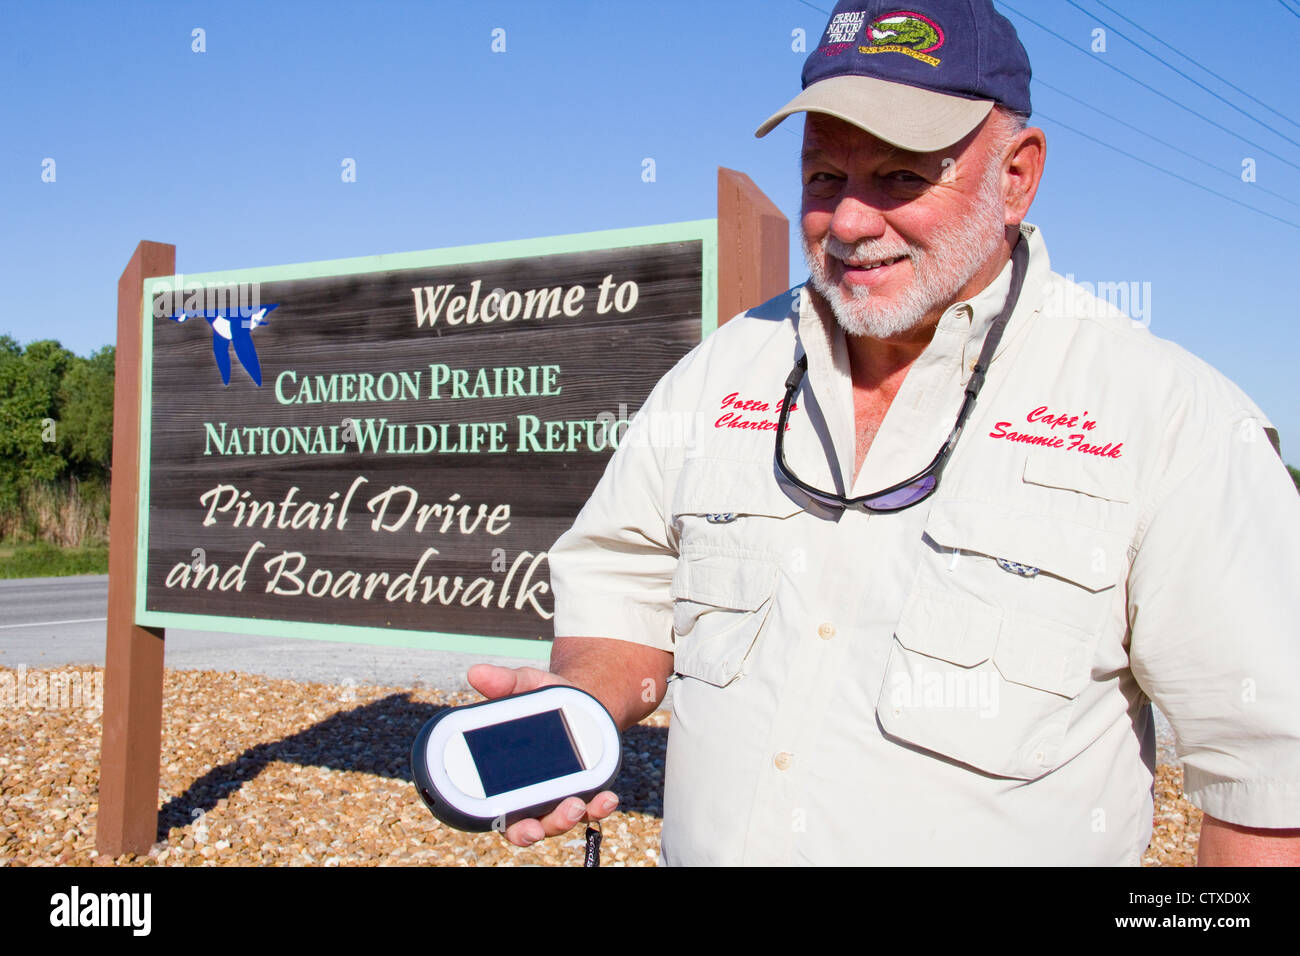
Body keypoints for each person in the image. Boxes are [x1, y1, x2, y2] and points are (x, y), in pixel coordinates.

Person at [469, 0, 1300, 865]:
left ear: (1017, 174)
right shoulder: (722, 372)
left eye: (903, 177)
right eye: (824, 177)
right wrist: (584, 703)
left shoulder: (1172, 418)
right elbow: (626, 577)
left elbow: (1270, 783)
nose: (852, 223)